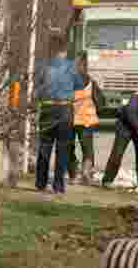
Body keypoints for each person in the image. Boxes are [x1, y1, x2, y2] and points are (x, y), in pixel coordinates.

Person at [34, 33, 81, 194]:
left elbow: (37, 87)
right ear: (65, 49)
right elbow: (79, 86)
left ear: (50, 48)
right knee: (63, 149)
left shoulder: (42, 65)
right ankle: (58, 186)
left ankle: (40, 183)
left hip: (47, 109)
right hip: (65, 110)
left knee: (44, 146)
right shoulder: (71, 67)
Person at [68, 52, 103, 185]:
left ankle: (73, 175)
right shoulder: (90, 81)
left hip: (71, 119)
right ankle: (86, 174)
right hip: (86, 120)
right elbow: (100, 102)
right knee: (87, 148)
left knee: (69, 146)